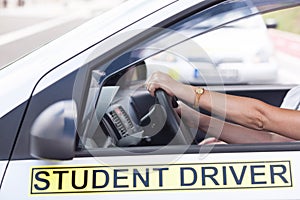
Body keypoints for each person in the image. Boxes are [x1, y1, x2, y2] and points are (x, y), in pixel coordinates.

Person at [145, 71, 300, 144]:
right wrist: (199, 120)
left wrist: (184, 90)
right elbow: (274, 140)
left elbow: (260, 118)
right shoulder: (296, 93)